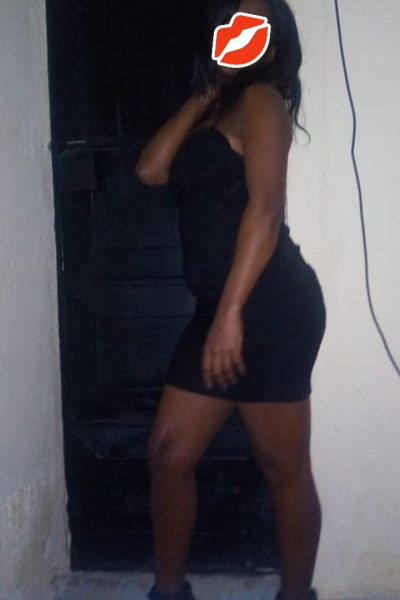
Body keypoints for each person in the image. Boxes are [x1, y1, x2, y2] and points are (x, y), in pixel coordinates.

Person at [134, 1, 326, 599]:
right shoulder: (219, 107)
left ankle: (296, 595)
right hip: (220, 307)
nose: (239, 36)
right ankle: (170, 593)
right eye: (231, 25)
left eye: (253, 27)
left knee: (282, 465)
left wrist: (230, 314)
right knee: (169, 453)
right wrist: (207, 92)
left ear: (273, 41)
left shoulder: (264, 101)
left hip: (267, 305)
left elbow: (265, 210)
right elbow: (150, 170)